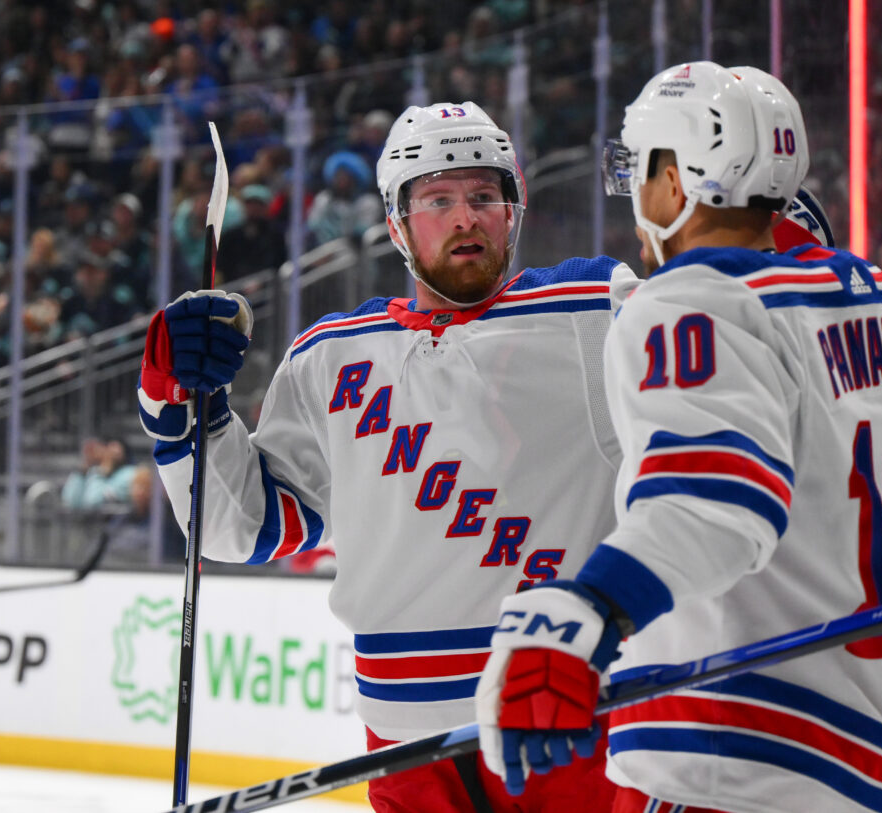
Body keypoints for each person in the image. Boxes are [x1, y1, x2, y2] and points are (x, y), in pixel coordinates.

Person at [137, 101, 639, 812]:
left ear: (512, 209)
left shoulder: (594, 309)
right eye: (438, 198)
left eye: (483, 196)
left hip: (567, 721)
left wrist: (760, 239)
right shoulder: (329, 356)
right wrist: (180, 400)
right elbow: (240, 525)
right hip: (406, 748)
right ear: (397, 224)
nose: (466, 217)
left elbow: (716, 341)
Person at [475, 62, 882, 813]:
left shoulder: (687, 304)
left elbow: (715, 503)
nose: (635, 198)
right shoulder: (868, 294)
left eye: (641, 168)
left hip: (738, 750)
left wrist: (589, 607)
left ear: (678, 177)